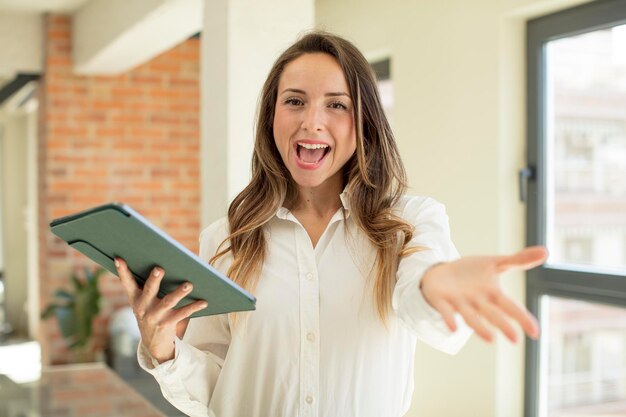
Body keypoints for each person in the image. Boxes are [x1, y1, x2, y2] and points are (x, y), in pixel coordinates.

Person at [114, 31, 548, 417]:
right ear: (272, 117)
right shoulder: (227, 236)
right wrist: (164, 347)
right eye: (295, 101)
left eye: (336, 105)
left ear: (364, 124)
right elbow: (216, 386)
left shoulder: (410, 222)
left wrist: (436, 283)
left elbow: (423, 300)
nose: (311, 121)